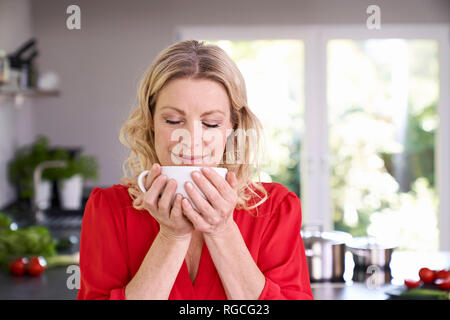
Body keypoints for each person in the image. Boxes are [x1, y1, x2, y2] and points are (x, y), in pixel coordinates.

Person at [77, 40, 313, 300]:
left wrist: (221, 230)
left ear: (232, 127)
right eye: (173, 120)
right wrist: (171, 236)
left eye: (211, 123)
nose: (191, 137)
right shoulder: (109, 210)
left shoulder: (275, 209)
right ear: (151, 122)